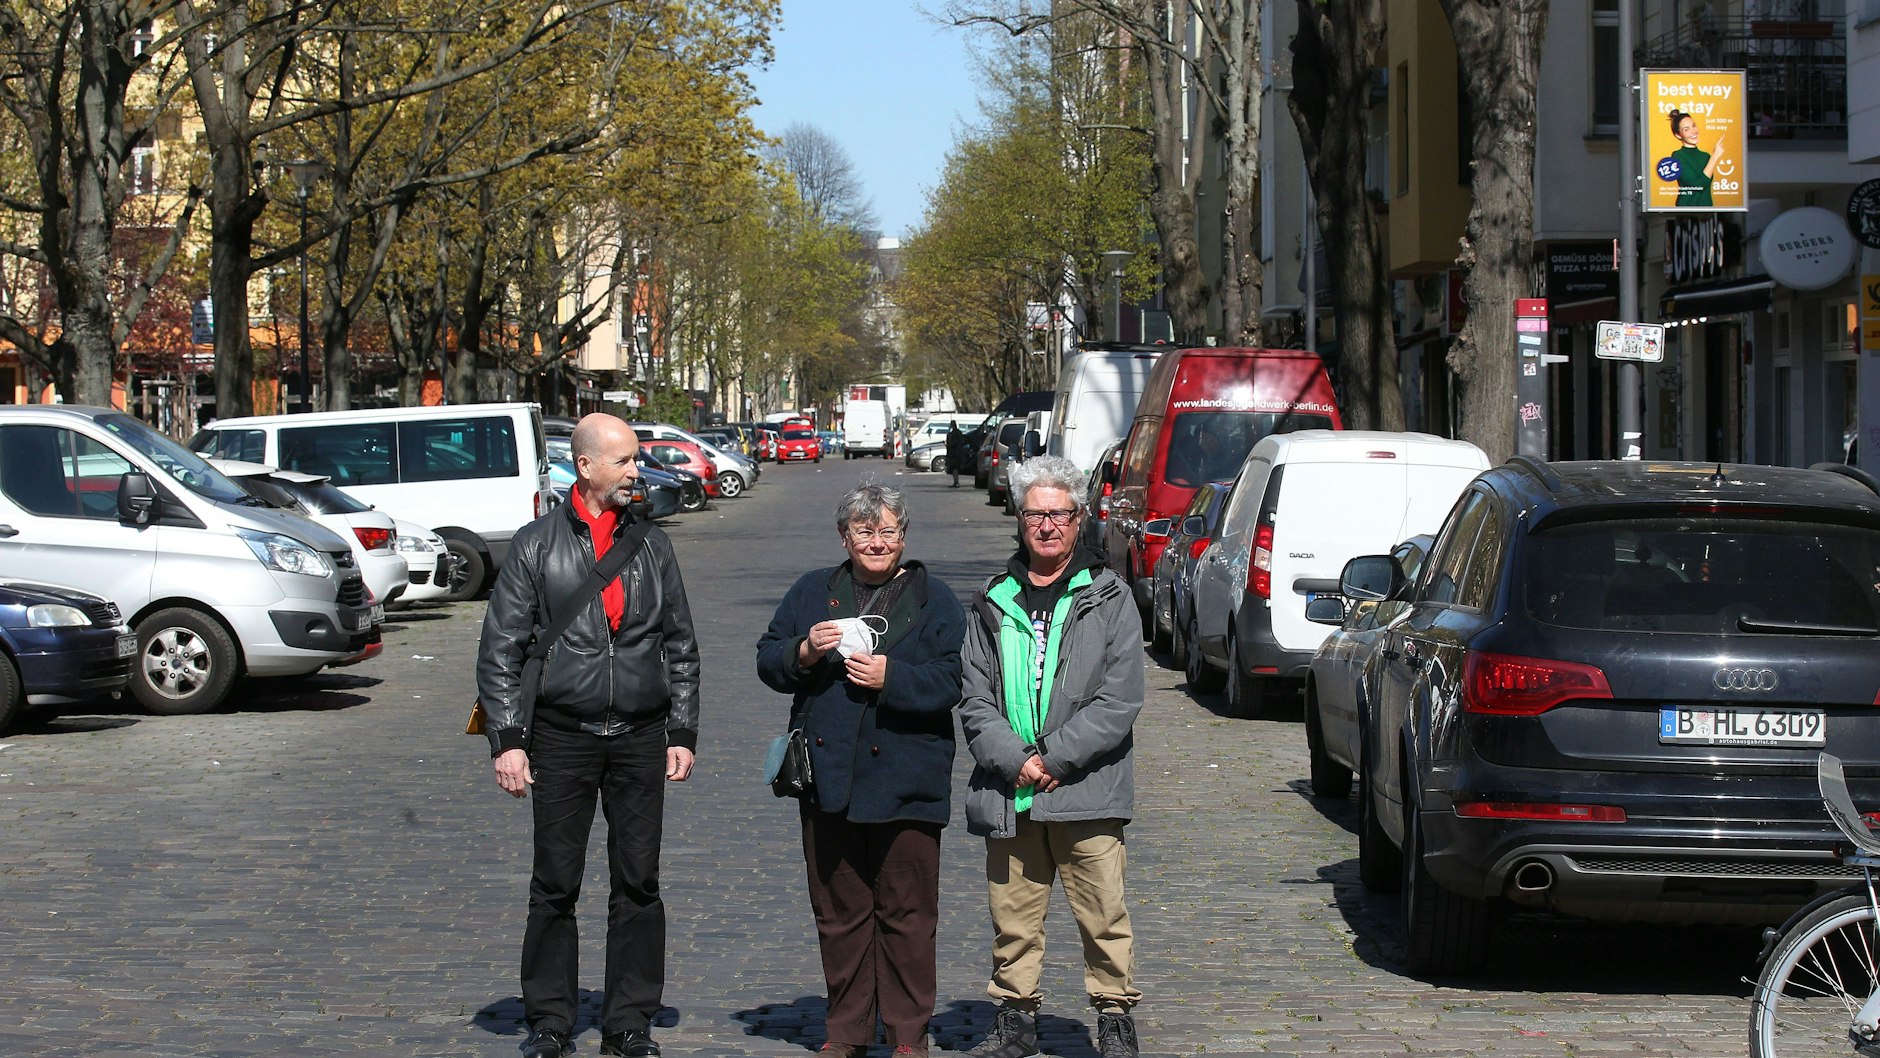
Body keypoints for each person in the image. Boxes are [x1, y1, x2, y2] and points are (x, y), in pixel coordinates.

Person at [476, 413, 701, 1058]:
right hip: (562, 734)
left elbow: (681, 644)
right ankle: (549, 1019)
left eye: (636, 460)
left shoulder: (653, 545)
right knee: (555, 880)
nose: (637, 472)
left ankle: (629, 1019)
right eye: (627, 461)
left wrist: (681, 729)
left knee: (638, 880)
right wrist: (508, 739)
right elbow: (501, 649)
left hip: (640, 733)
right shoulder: (535, 544)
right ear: (587, 466)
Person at [755, 483, 966, 1058]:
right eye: (864, 532)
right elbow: (768, 659)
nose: (877, 542)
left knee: (908, 915)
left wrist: (891, 679)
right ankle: (846, 1031)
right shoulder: (813, 592)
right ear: (844, 537)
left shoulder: (935, 599)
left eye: (888, 531)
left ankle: (906, 1035)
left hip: (908, 780)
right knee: (840, 915)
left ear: (904, 535)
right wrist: (803, 652)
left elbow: (955, 680)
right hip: (829, 781)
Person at [958, 455, 1145, 1058]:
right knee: (1013, 916)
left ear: (1080, 519)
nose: (1046, 526)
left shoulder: (1110, 595)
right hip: (1011, 788)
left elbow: (1120, 700)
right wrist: (1018, 761)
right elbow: (974, 697)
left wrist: (1053, 759)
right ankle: (1015, 1021)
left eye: (1059, 515)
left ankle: (1114, 1019)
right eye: (1035, 514)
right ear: (1019, 519)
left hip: (1084, 786)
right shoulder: (993, 597)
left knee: (1103, 915)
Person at [1667, 109, 1726, 207]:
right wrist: (1715, 156)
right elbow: (1698, 185)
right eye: (1686, 129)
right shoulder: (1677, 156)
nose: (1693, 131)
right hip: (1687, 211)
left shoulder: (1706, 156)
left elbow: (1705, 186)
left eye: (1694, 126)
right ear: (1678, 135)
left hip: (1707, 210)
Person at [946, 421, 971, 487]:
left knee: (954, 468)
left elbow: (951, 444)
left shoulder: (952, 434)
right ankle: (956, 482)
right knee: (955, 468)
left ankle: (956, 482)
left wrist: (948, 445)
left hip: (954, 453)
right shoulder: (959, 433)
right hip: (959, 453)